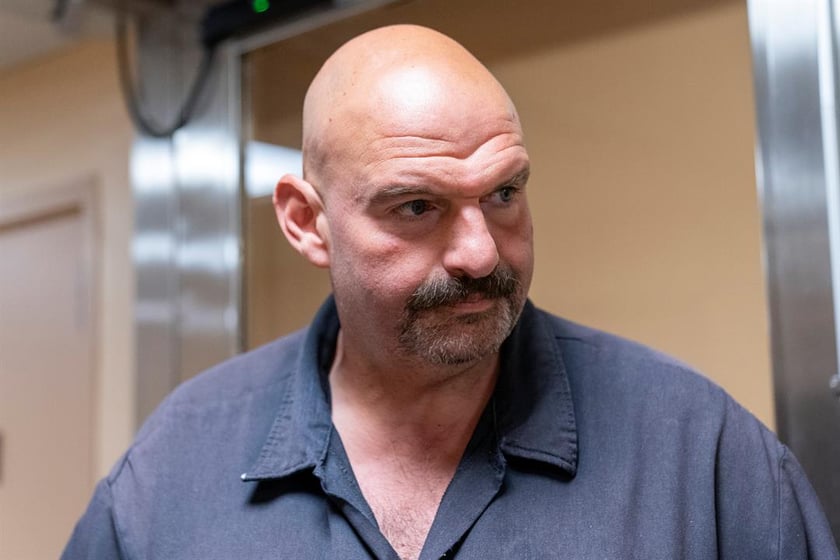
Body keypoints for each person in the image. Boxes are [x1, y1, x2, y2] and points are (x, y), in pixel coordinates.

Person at [63, 24, 838, 560]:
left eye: (504, 193)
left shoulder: (700, 456)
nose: (479, 252)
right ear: (307, 223)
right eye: (417, 207)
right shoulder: (176, 470)